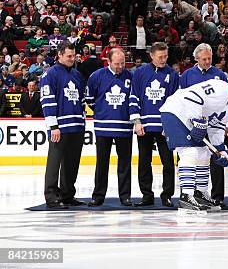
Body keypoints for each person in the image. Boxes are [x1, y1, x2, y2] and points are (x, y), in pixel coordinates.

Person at [159, 72, 228, 215]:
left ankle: (200, 194)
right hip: (176, 112)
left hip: (190, 119)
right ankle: (186, 196)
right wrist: (198, 121)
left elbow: (217, 127)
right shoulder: (220, 87)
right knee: (189, 153)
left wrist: (221, 150)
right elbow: (192, 97)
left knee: (204, 153)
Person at [129, 42, 179, 207]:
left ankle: (167, 195)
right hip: (144, 126)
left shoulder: (172, 74)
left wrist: (170, 125)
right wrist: (137, 122)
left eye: (166, 56)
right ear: (151, 56)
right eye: (160, 57)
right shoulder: (140, 73)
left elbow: (174, 102)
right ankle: (146, 195)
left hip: (164, 127)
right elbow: (134, 97)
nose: (164, 60)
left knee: (168, 162)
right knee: (144, 162)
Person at [179, 43, 228, 206]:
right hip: (193, 124)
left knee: (216, 157)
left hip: (213, 123)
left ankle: (217, 196)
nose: (208, 61)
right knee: (190, 157)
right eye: (204, 59)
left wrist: (224, 123)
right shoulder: (187, 75)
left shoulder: (220, 74)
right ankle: (188, 195)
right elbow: (182, 99)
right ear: (196, 59)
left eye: (209, 58)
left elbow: (226, 102)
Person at [40, 42, 86, 208]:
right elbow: (47, 101)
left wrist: (82, 120)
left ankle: (67, 194)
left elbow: (81, 100)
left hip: (76, 126)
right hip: (60, 127)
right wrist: (53, 126)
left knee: (72, 162)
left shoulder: (77, 75)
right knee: (55, 161)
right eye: (69, 56)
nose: (72, 59)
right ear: (59, 55)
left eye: (74, 56)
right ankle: (51, 196)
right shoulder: (50, 74)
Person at [85, 48, 133, 207]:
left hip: (125, 127)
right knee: (102, 162)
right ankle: (98, 196)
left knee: (125, 163)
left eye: (123, 63)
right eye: (117, 64)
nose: (120, 67)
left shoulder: (130, 76)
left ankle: (125, 196)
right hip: (103, 127)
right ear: (109, 61)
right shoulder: (97, 76)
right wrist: (101, 112)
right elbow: (89, 99)